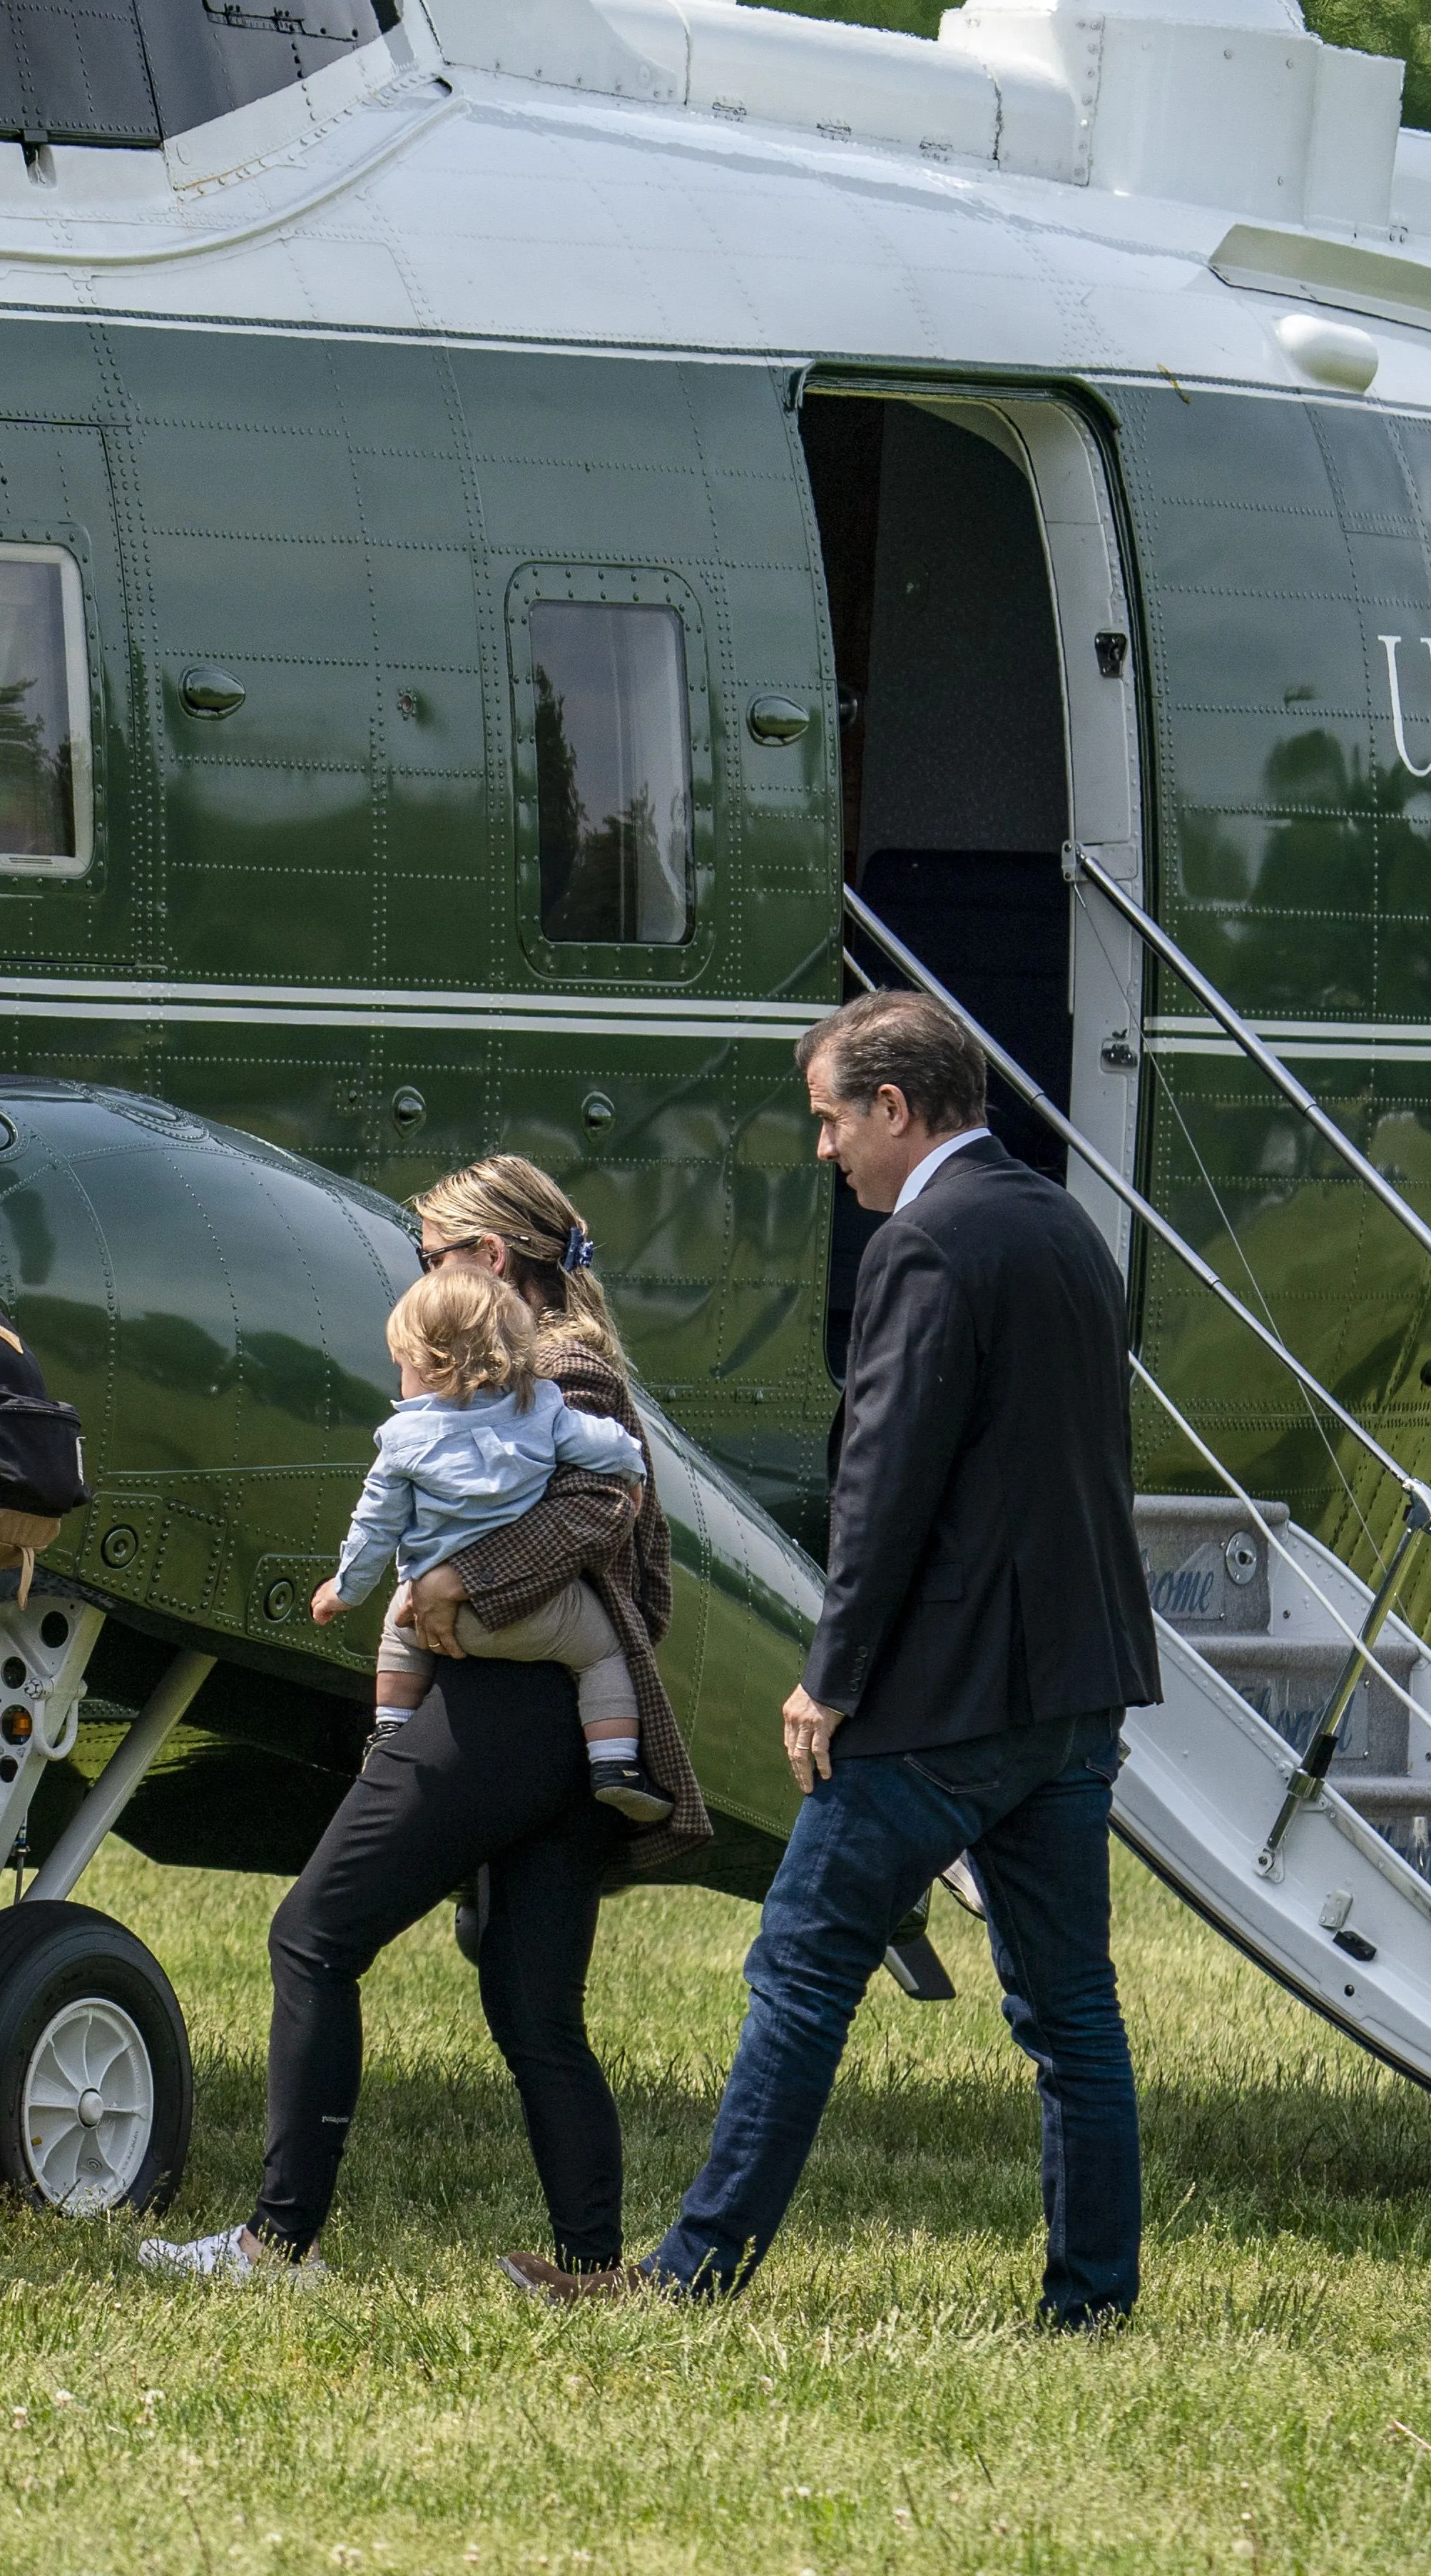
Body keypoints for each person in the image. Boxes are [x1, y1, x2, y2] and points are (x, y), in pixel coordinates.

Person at [519, 989, 1158, 2328]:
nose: (824, 1153)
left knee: (801, 1968)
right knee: (1070, 2012)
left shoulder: (924, 1246)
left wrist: (834, 1675)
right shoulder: (1062, 1227)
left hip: (938, 1698)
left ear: (894, 1107)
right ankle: (1093, 2304)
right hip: (1076, 1687)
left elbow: (887, 1484)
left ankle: (693, 2275)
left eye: (830, 1121)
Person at [143, 1154, 703, 2286]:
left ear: (490, 1261)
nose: (419, 1282)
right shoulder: (552, 1368)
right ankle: (593, 2268)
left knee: (312, 1936)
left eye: (431, 1257)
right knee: (532, 2003)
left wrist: (464, 1584)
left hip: (508, 1712)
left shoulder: (554, 1366)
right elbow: (651, 1571)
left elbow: (609, 1506)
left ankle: (279, 2242)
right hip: (555, 1724)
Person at [323, 1269, 667, 1822]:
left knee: (395, 1629)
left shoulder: (402, 1442)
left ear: (432, 1365)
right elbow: (611, 1444)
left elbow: (373, 1528)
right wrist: (633, 1473)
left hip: (434, 1619)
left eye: (402, 1364)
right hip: (533, 1611)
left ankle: (390, 1728)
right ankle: (614, 1762)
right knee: (604, 1652)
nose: (400, 1377)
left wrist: (343, 1591)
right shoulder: (544, 1410)